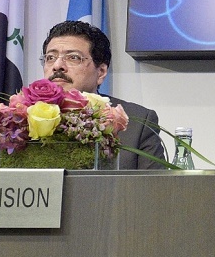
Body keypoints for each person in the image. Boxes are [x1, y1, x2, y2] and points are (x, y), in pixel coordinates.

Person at [42, 21, 166, 169]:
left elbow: (154, 183)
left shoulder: (136, 124)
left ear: (101, 72)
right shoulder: (22, 118)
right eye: (50, 57)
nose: (57, 66)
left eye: (73, 57)